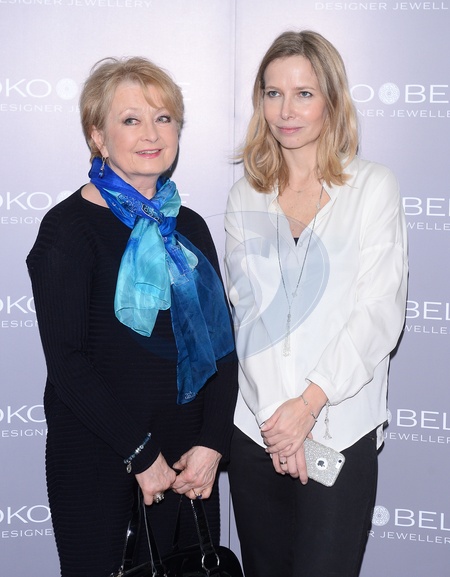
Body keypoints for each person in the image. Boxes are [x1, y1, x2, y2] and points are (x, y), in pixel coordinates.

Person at [27, 56, 237, 577]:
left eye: (163, 118)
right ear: (98, 136)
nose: (151, 133)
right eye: (130, 119)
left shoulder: (190, 227)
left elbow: (222, 348)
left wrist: (212, 443)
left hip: (190, 467)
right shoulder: (67, 230)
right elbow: (68, 364)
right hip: (101, 461)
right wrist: (141, 455)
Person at [224, 30, 408, 577]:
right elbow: (248, 315)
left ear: (331, 99)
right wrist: (278, 421)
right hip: (258, 431)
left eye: (303, 93)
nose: (286, 111)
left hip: (339, 428)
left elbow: (379, 312)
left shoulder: (373, 188)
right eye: (273, 93)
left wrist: (306, 407)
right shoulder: (245, 194)